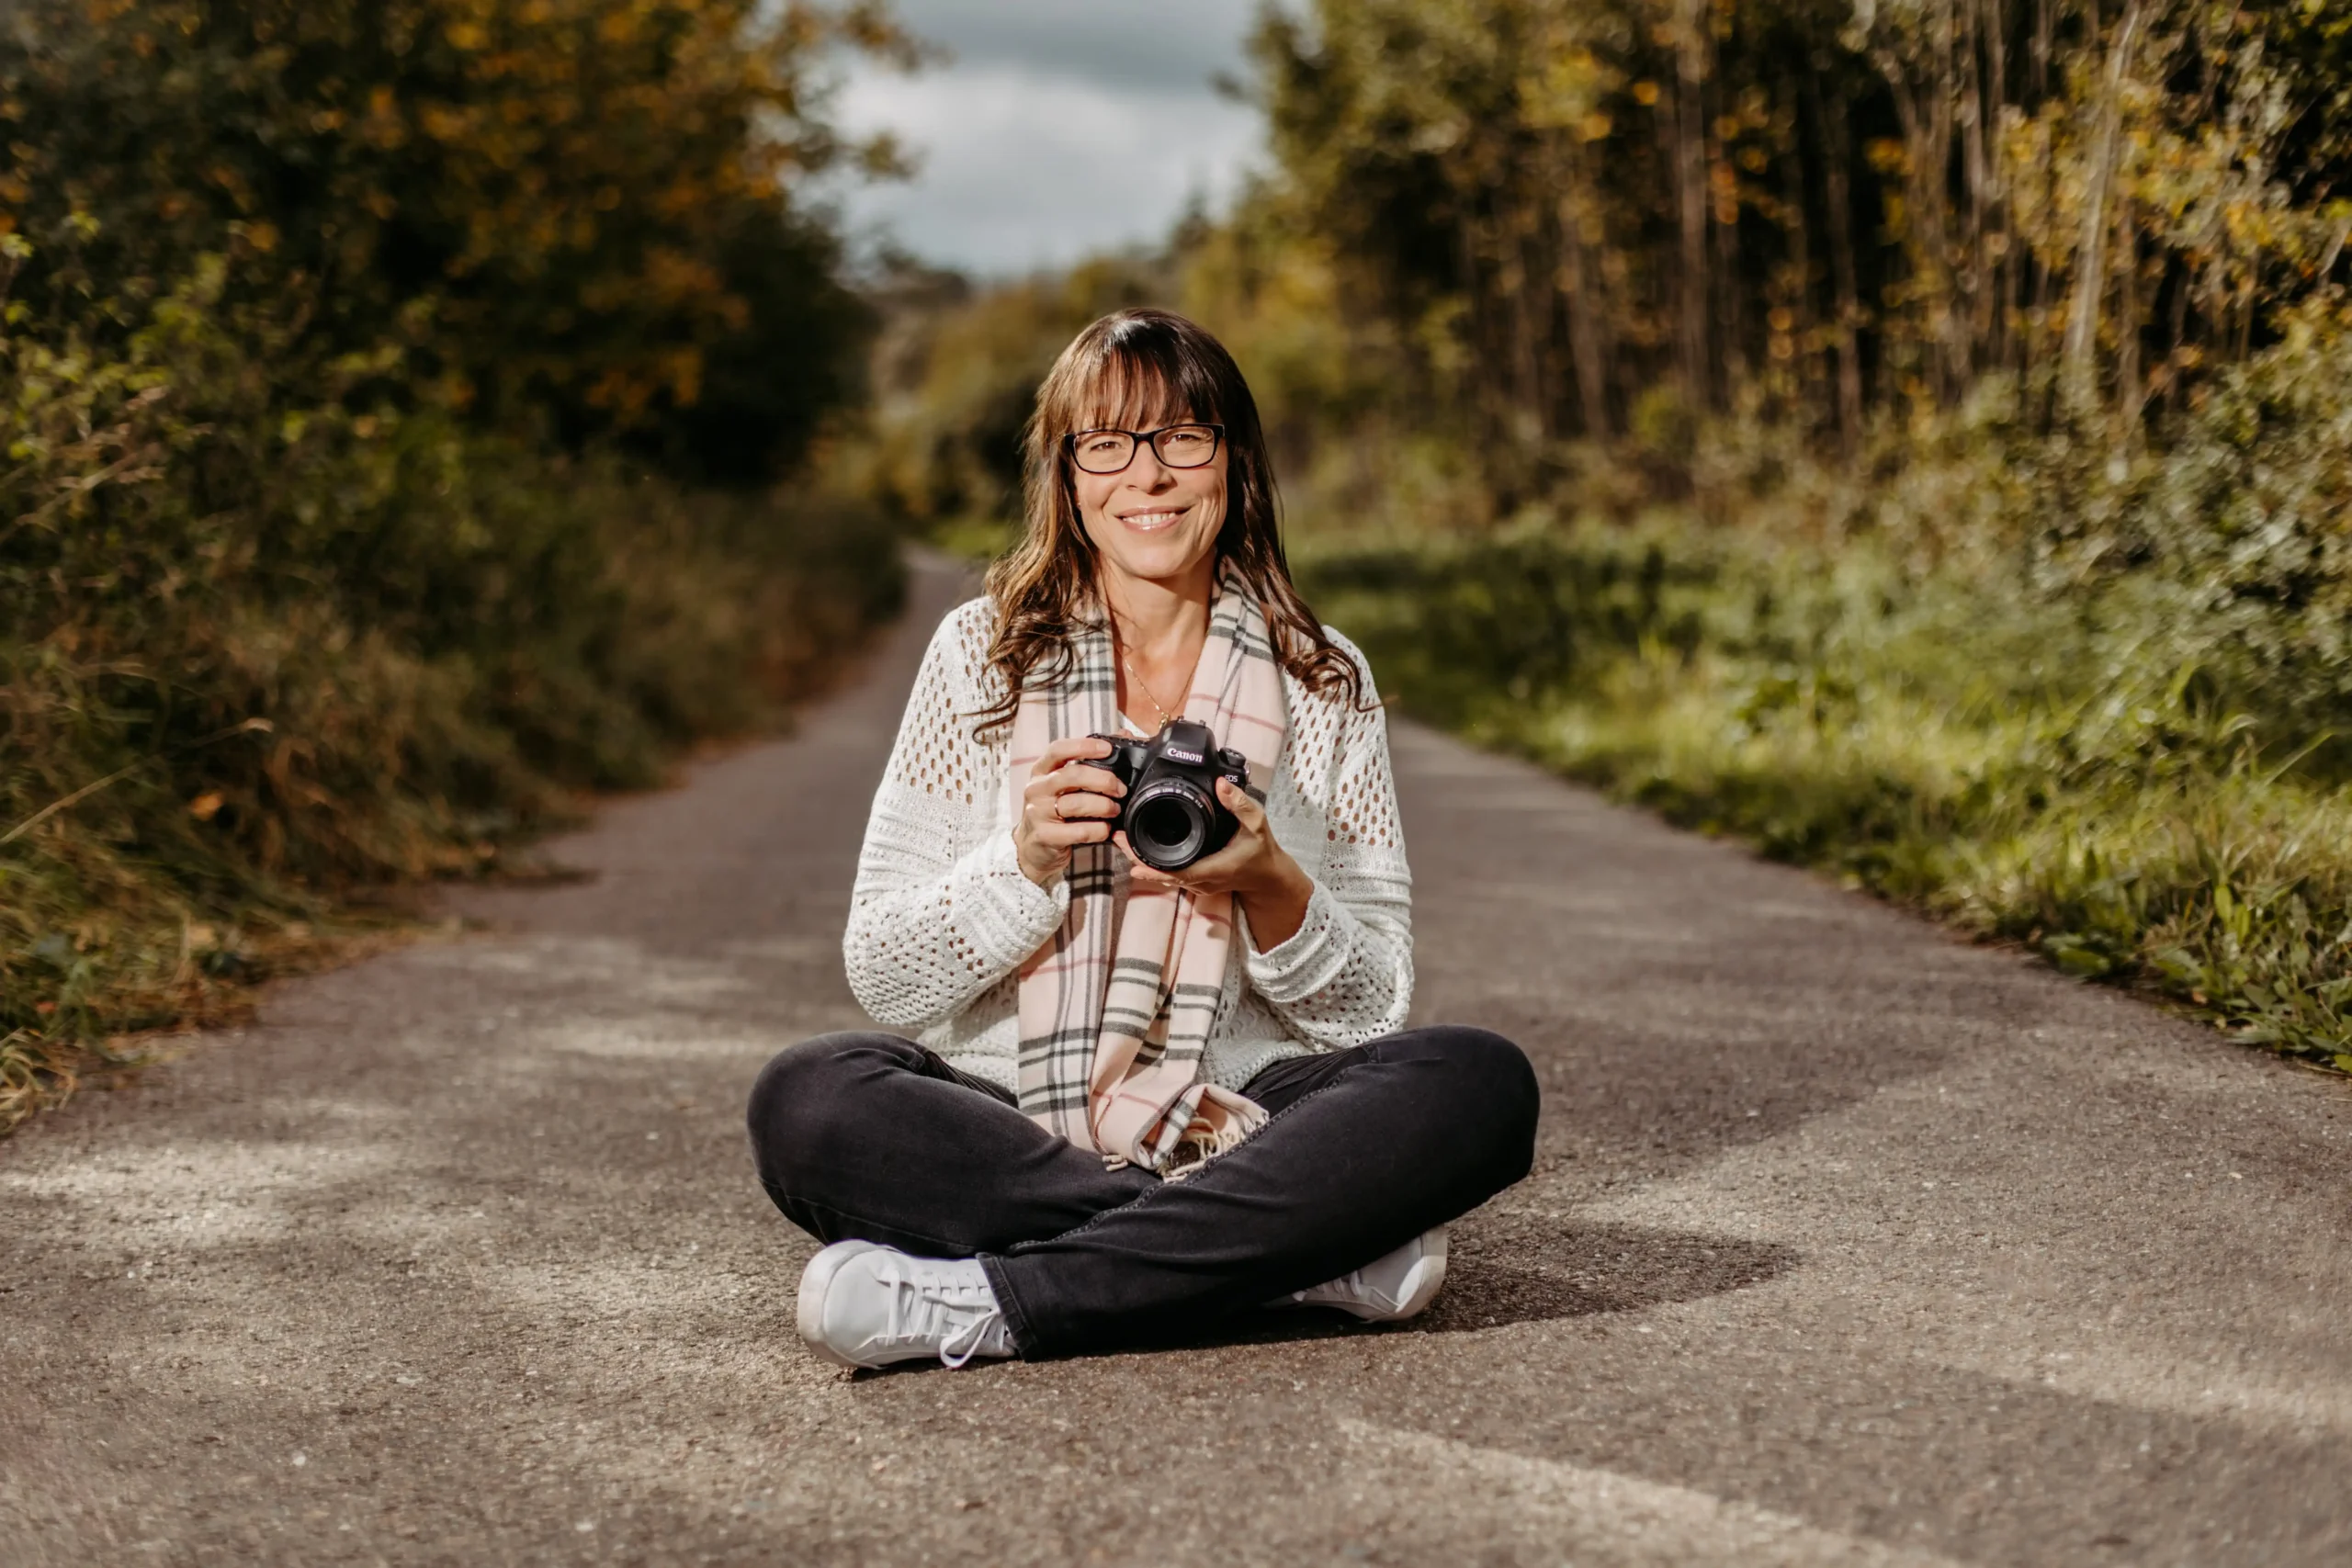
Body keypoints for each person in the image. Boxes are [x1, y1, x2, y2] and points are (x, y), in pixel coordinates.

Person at [746, 307, 1538, 1369]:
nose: (1148, 477)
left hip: (1242, 1096)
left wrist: (1266, 878)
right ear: (1067, 476)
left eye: (1182, 439)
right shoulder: (980, 656)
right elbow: (884, 973)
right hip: (1011, 1098)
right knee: (808, 1101)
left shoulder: (1323, 678)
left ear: (1233, 459)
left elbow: (1371, 1005)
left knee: (1478, 1084)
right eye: (1107, 444)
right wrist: (1020, 864)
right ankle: (1292, 1248)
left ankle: (994, 1303)